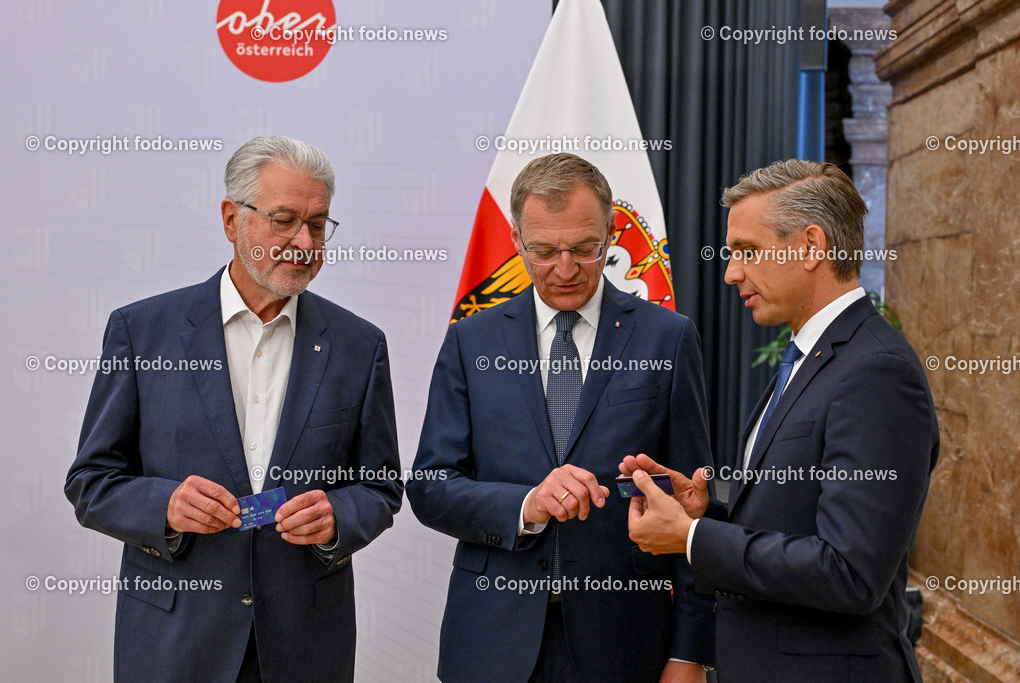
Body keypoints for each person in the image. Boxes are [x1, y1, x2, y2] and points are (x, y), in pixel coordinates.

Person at [65, 135, 402, 682]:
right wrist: (165, 506)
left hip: (305, 646)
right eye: (283, 219)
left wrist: (339, 517)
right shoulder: (143, 332)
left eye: (317, 225)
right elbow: (91, 481)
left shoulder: (360, 345)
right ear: (231, 219)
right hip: (174, 644)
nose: (302, 241)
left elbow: (381, 485)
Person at [623, 159, 939, 682]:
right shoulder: (810, 357)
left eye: (748, 251)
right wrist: (708, 513)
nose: (731, 272)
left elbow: (851, 573)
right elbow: (797, 524)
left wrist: (694, 538)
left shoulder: (877, 372)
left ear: (813, 246)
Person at [408, 153, 715, 682]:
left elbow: (691, 505)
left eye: (585, 249)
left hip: (627, 641)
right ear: (516, 240)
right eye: (545, 251)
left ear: (612, 234)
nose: (566, 269)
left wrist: (688, 653)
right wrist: (526, 503)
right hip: (491, 641)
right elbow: (431, 487)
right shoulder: (470, 340)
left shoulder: (668, 336)